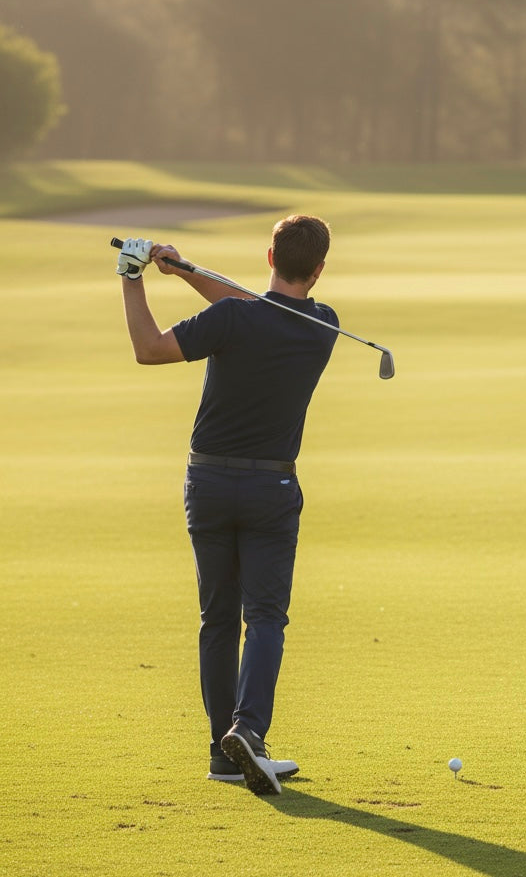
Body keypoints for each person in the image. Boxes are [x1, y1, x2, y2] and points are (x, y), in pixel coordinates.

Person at [117, 216, 338, 795]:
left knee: (217, 619)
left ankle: (223, 751)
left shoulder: (232, 318)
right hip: (272, 491)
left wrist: (133, 278)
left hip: (209, 484)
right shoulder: (323, 325)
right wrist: (187, 270)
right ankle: (248, 734)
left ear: (268, 254)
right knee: (264, 617)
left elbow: (149, 349)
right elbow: (259, 306)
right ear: (319, 270)